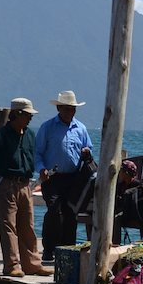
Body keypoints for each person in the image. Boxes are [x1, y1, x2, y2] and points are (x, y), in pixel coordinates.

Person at [0, 98, 49, 277]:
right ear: (17, 114)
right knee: (8, 227)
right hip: (7, 184)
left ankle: (32, 264)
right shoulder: (2, 134)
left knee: (27, 225)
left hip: (25, 185)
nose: (30, 118)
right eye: (27, 115)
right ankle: (11, 265)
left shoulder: (30, 135)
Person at [35, 90, 93, 261]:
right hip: (51, 177)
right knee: (53, 210)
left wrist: (86, 152)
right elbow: (37, 152)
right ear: (59, 108)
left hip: (73, 179)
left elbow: (89, 148)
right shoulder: (47, 127)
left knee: (70, 213)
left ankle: (67, 249)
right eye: (67, 109)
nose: (70, 112)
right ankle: (49, 248)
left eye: (73, 109)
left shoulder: (80, 128)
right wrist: (41, 169)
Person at [114, 159, 143, 244]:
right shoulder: (121, 185)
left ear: (126, 174)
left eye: (120, 171)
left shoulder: (139, 187)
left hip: (136, 213)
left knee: (117, 219)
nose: (119, 173)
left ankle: (116, 244)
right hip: (126, 211)